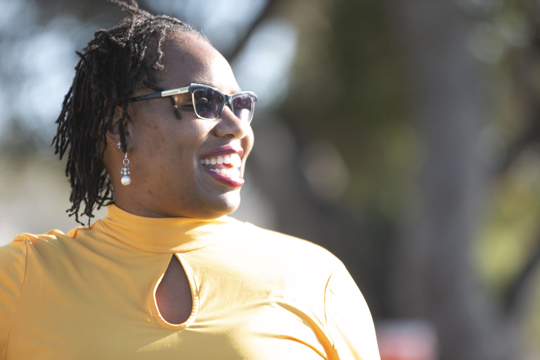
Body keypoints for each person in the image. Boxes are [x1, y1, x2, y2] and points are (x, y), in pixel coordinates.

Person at [0, 1, 380, 359]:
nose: (237, 128)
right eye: (205, 101)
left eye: (241, 105)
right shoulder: (21, 280)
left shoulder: (316, 279)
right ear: (120, 126)